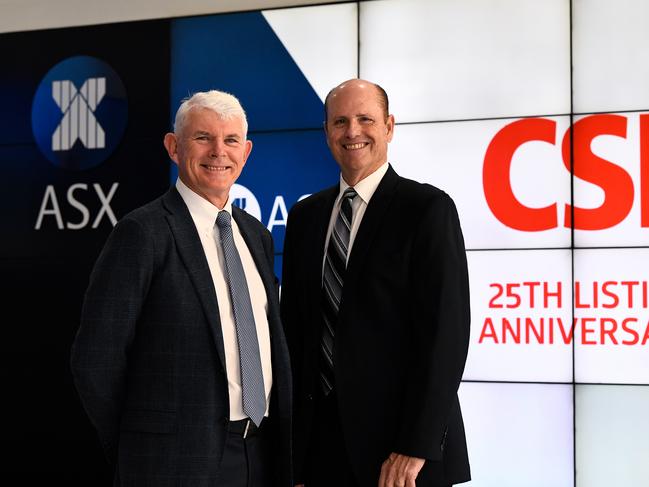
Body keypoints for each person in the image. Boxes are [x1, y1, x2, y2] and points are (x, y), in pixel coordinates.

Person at [71, 90, 292, 487]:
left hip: (260, 454)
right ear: (174, 147)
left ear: (247, 152)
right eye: (202, 138)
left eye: (230, 141)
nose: (218, 152)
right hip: (171, 464)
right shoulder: (143, 232)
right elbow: (96, 359)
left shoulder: (256, 235)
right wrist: (138, 446)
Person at [281, 79, 471, 487]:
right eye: (340, 121)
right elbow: (294, 339)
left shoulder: (427, 209)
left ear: (389, 127)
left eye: (365, 119)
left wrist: (415, 446)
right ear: (327, 131)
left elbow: (446, 338)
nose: (352, 132)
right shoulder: (305, 218)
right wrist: (294, 453)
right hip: (320, 452)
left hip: (400, 457)